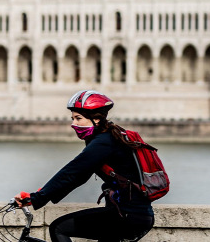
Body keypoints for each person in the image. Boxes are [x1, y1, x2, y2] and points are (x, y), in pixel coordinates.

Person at [14, 90, 154, 242]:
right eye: (73, 118)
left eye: (78, 118)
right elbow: (78, 177)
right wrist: (39, 195)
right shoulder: (108, 137)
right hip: (134, 214)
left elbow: (73, 171)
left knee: (58, 228)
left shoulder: (104, 142)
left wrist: (37, 198)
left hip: (126, 215)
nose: (74, 124)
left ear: (97, 119)